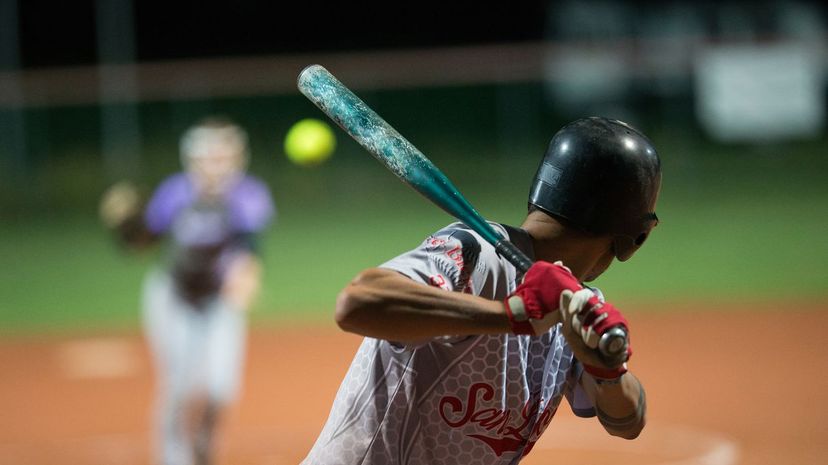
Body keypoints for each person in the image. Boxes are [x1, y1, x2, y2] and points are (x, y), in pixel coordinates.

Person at [302, 117, 660, 464]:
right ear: (632, 236)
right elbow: (357, 302)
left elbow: (627, 423)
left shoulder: (574, 304)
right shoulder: (474, 252)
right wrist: (510, 315)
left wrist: (609, 370)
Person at [99, 117, 276, 465]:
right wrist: (123, 226)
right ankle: (172, 458)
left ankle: (203, 449)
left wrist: (245, 278)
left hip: (219, 298)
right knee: (178, 387)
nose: (217, 165)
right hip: (173, 296)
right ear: (192, 160)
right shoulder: (175, 192)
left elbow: (250, 247)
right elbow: (144, 242)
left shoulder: (249, 194)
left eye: (225, 157)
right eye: (210, 158)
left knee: (220, 389)